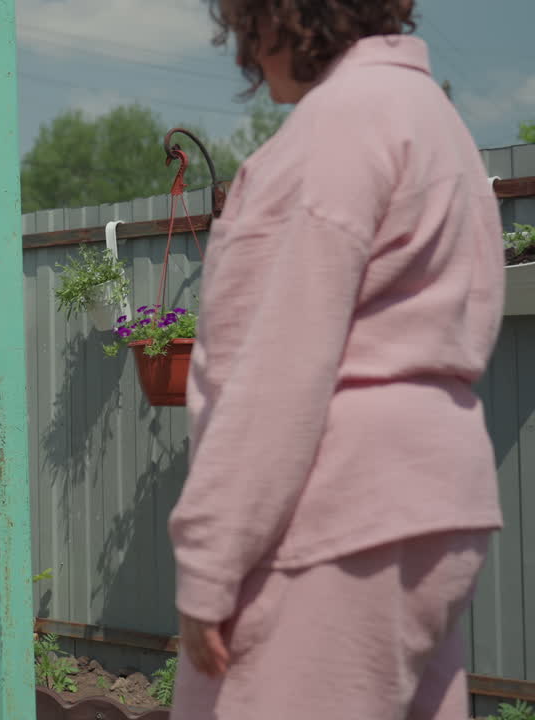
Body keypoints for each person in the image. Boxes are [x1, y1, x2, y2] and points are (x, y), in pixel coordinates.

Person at [167, 1, 506, 719]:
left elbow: (272, 377)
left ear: (284, 16)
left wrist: (208, 566)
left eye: (248, 30)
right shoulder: (435, 122)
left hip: (335, 513)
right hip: (441, 506)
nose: (248, 58)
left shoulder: (332, 133)